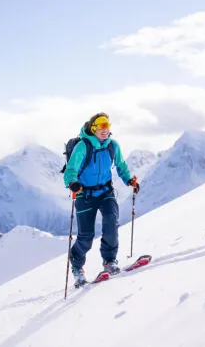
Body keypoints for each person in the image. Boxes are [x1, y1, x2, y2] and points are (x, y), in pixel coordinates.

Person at [63, 112, 140, 287]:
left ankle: (110, 261)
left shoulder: (113, 146)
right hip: (85, 194)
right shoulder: (83, 146)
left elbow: (121, 165)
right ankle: (77, 268)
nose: (105, 130)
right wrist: (72, 183)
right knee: (86, 236)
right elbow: (71, 169)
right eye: (101, 126)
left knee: (112, 222)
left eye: (107, 126)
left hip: (106, 191)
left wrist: (129, 180)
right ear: (93, 128)